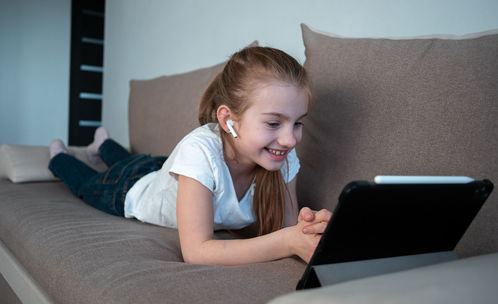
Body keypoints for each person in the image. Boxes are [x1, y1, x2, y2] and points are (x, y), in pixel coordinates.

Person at [49, 46, 332, 266]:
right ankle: (61, 154)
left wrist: (308, 229)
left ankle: (104, 143)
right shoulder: (199, 151)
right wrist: (287, 242)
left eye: (297, 123)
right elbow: (197, 252)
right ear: (228, 120)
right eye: (273, 123)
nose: (290, 139)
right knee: (88, 183)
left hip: (168, 172)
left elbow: (286, 228)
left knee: (128, 160)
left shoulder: (281, 159)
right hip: (129, 188)